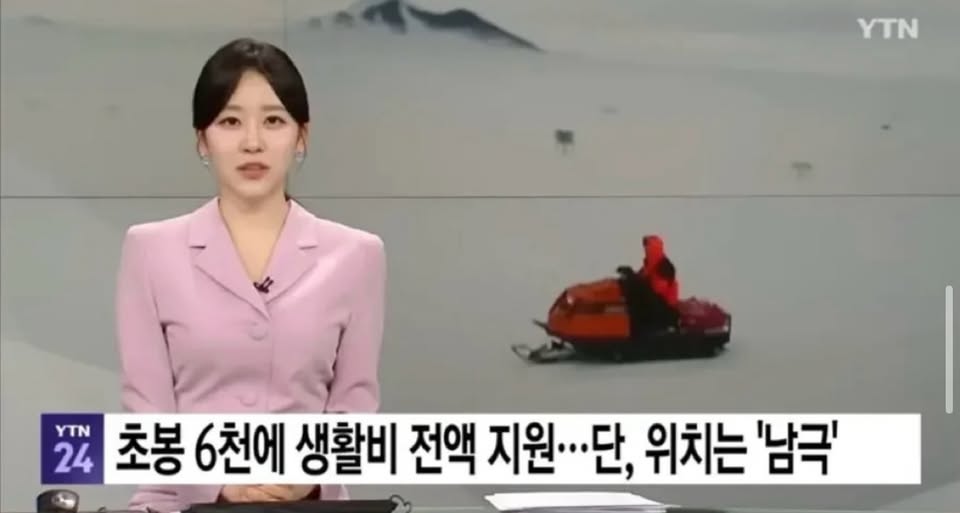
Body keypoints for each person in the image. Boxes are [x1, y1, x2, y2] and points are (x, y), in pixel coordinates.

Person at [115, 38, 387, 512]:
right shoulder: (150, 250)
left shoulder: (357, 255)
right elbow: (147, 414)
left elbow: (354, 407)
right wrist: (217, 485)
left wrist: (306, 475)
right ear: (203, 139)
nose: (252, 142)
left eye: (274, 121)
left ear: (302, 136)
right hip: (181, 503)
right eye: (230, 121)